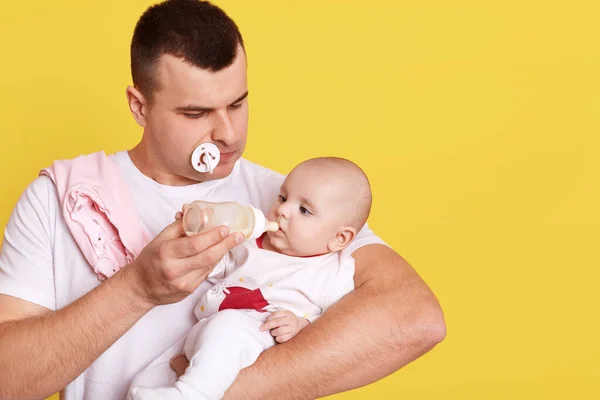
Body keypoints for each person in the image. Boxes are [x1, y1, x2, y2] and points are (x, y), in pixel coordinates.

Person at [0, 1, 446, 399]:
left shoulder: (295, 203)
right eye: (196, 114)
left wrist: (219, 389)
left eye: (237, 104)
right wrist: (136, 289)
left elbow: (415, 318)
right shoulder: (62, 198)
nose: (229, 135)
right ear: (139, 107)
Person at [128, 157, 376, 400]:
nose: (283, 210)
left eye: (304, 210)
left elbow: (337, 327)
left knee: (227, 331)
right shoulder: (251, 244)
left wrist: (304, 324)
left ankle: (193, 394)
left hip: (259, 340)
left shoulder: (332, 273)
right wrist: (196, 246)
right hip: (205, 332)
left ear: (339, 238)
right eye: (283, 197)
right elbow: (216, 266)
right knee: (144, 381)